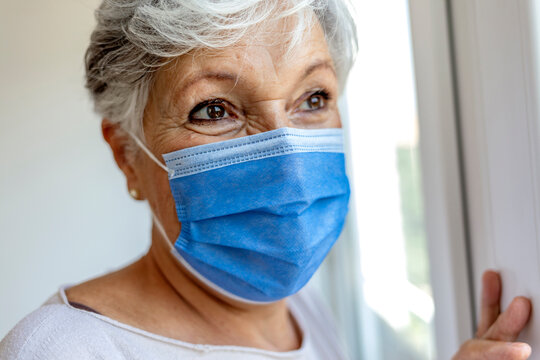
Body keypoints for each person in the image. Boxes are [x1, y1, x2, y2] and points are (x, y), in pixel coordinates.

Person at [0, 0, 532, 359]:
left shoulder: (300, 307)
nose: (288, 162)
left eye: (314, 98)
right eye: (212, 109)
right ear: (126, 156)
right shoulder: (63, 349)